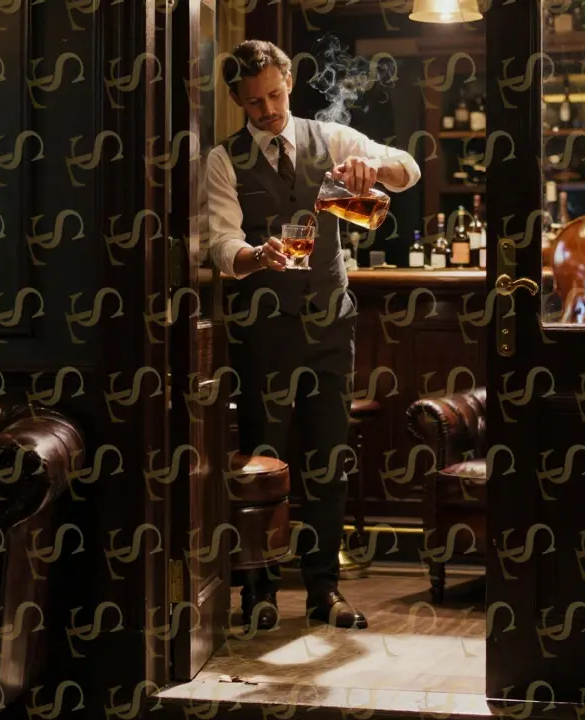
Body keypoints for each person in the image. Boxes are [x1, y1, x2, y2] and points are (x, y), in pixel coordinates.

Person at [205, 39, 421, 630]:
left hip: (330, 322)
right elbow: (220, 244)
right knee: (262, 464)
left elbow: (409, 169)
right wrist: (256, 255)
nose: (268, 109)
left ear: (290, 82)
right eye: (254, 103)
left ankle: (325, 591)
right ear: (236, 102)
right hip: (264, 329)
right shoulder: (222, 160)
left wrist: (371, 169)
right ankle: (259, 594)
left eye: (274, 94)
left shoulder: (332, 142)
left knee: (329, 461)